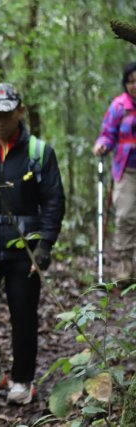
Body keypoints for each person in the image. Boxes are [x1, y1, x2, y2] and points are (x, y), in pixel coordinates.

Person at [0, 83, 65, 405]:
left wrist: (45, 246)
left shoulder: (38, 152)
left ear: (19, 112)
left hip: (24, 249)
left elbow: (53, 201)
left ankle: (22, 378)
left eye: (5, 114)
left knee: (24, 314)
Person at [93, 61, 136, 282]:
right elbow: (108, 134)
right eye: (130, 81)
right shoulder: (119, 106)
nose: (134, 85)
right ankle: (125, 265)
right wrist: (102, 144)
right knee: (126, 215)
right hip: (126, 170)